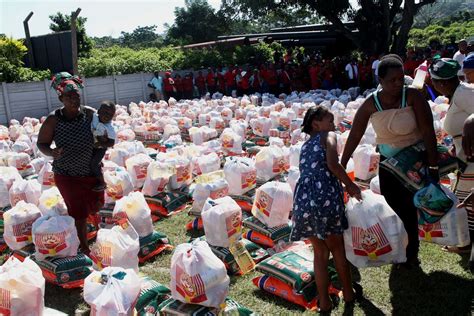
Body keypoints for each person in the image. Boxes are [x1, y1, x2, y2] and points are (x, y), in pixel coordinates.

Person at [341, 54, 439, 268]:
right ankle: (397, 249)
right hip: (388, 165)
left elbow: (427, 130)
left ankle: (411, 253)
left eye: (399, 78)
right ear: (381, 81)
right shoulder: (371, 103)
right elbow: (355, 133)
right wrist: (343, 163)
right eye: (391, 80)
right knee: (393, 208)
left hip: (414, 162)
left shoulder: (412, 96)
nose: (397, 83)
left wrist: (433, 165)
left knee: (409, 209)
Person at [290, 106, 362, 313]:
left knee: (320, 253)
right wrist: (350, 184)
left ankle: (324, 302)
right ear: (316, 124)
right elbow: (332, 163)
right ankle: (348, 293)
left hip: (304, 201)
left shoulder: (304, 146)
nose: (333, 125)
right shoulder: (328, 136)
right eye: (330, 121)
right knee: (337, 248)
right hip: (325, 199)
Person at [37, 72, 104, 256]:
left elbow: (102, 135)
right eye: (69, 96)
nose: (73, 99)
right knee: (78, 213)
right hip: (67, 175)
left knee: (97, 204)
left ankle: (91, 233)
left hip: (90, 171)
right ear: (61, 98)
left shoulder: (89, 114)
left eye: (76, 95)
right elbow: (41, 143)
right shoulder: (54, 119)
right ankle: (84, 246)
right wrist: (51, 152)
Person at [428, 57, 474, 254]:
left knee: (465, 202)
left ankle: (467, 244)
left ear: (442, 83)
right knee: (464, 200)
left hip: (471, 158)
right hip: (464, 156)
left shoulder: (464, 93)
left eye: (434, 82)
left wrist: (471, 121)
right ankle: (467, 243)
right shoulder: (457, 94)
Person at [90, 100, 116, 191]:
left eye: (110, 114)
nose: (107, 116)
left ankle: (102, 183)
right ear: (99, 111)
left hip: (100, 149)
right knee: (91, 162)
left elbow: (111, 143)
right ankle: (98, 167)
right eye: (105, 112)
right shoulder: (94, 118)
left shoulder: (109, 129)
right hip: (92, 146)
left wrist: (100, 143)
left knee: (93, 164)